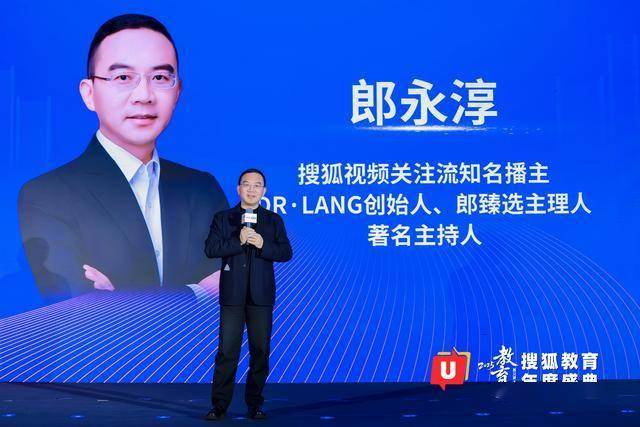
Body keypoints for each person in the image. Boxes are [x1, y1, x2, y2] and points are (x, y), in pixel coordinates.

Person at [17, 14, 228, 303]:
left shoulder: (203, 189)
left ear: (177, 91)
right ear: (89, 94)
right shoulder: (47, 195)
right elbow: (80, 310)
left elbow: (235, 293)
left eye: (160, 78)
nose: (144, 95)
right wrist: (198, 292)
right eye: (123, 78)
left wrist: (121, 295)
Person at [204, 168, 292, 421]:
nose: (252, 189)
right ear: (238, 189)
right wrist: (238, 240)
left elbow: (286, 253)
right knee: (227, 351)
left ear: (264, 191)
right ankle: (219, 406)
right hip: (232, 294)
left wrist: (263, 244)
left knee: (260, 351)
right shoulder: (224, 218)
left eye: (257, 185)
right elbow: (211, 249)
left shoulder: (273, 220)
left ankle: (255, 404)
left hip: (261, 295)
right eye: (246, 184)